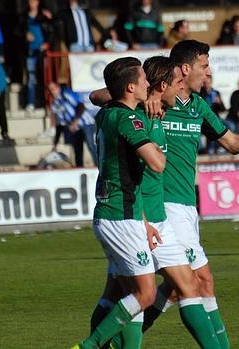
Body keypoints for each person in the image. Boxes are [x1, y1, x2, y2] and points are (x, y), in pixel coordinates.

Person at [134, 40, 239, 348]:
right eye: (204, 66)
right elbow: (104, 96)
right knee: (201, 280)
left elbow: (232, 144)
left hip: (186, 207)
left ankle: (116, 340)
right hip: (162, 206)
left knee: (174, 287)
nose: (208, 72)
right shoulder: (155, 98)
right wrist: (150, 97)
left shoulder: (198, 106)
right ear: (185, 68)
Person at [88, 56, 223, 349]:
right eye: (177, 84)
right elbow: (100, 95)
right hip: (131, 215)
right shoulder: (134, 113)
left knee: (185, 287)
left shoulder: (158, 108)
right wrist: (146, 99)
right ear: (162, 86)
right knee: (132, 293)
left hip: (148, 216)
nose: (182, 91)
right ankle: (94, 345)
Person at [72, 57, 166, 349]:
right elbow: (158, 164)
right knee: (146, 294)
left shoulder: (108, 112)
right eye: (143, 80)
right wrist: (152, 128)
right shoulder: (128, 119)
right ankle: (88, 346)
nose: (148, 85)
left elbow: (128, 175)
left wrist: (144, 222)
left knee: (119, 293)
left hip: (119, 213)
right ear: (130, 87)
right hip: (119, 217)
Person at [47, 81, 97, 167]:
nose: (52, 92)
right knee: (77, 150)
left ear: (58, 87)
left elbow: (81, 106)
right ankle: (80, 168)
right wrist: (55, 143)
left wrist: (75, 120)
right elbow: (60, 126)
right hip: (75, 128)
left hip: (86, 123)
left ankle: (99, 166)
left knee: (91, 145)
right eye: (50, 90)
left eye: (53, 89)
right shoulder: (55, 104)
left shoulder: (66, 93)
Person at [17, 0, 53, 111]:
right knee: (31, 77)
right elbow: (17, 32)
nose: (31, 2)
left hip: (42, 51)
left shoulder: (44, 15)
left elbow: (53, 30)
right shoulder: (23, 17)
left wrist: (47, 43)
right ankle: (31, 102)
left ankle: (46, 102)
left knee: (45, 76)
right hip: (30, 51)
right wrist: (25, 36)